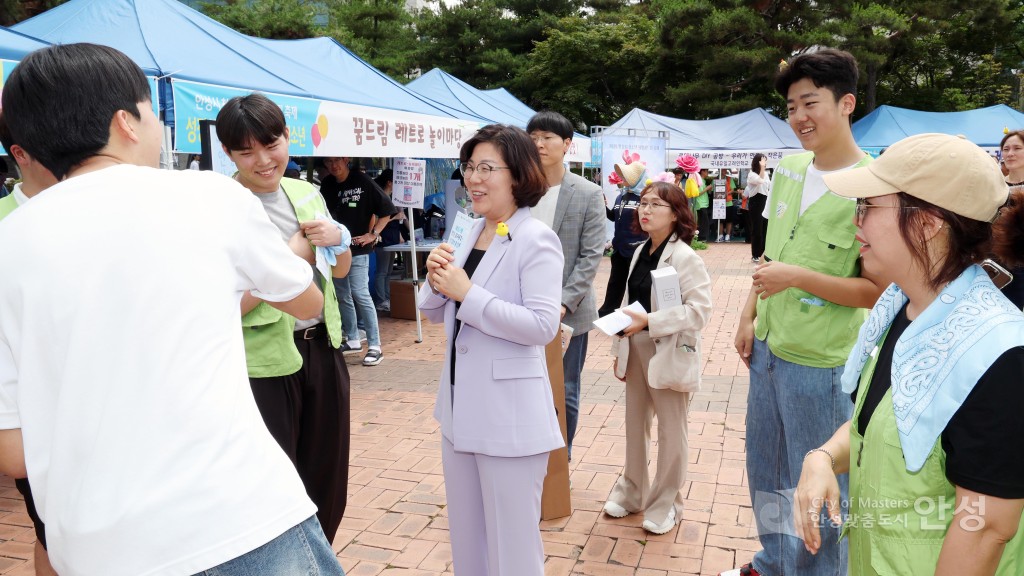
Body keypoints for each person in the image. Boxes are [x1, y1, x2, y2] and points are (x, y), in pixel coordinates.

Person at [0, 43, 341, 576]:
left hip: (94, 551)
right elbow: (308, 300)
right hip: (237, 523)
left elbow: (13, 453)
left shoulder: (8, 243)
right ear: (126, 123)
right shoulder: (210, 198)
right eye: (152, 111)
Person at [794, 133, 1024, 575]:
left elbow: (987, 526)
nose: (855, 222)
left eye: (867, 206)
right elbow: (893, 420)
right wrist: (822, 456)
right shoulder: (901, 307)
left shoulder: (998, 353)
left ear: (928, 222)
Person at [728, 48, 885, 576]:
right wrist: (748, 314)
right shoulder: (790, 169)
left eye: (810, 102)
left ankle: (819, 572)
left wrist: (795, 277)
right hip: (769, 350)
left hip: (820, 365)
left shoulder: (874, 185)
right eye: (792, 106)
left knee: (821, 484)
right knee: (766, 470)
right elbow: (771, 254)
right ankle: (773, 562)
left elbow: (874, 290)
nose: (799, 117)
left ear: (847, 103)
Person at [418, 124, 564, 575]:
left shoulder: (535, 237)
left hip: (509, 417)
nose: (474, 179)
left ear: (517, 175)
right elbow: (432, 308)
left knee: (514, 551)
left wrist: (468, 293)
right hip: (460, 410)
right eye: (469, 168)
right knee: (468, 541)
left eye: (487, 168)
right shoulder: (467, 231)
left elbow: (541, 326)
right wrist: (436, 274)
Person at [216, 93, 354, 545]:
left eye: (271, 144)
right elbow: (219, 306)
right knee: (273, 482)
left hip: (321, 346)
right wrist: (288, 263)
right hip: (260, 364)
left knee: (328, 476)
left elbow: (340, 270)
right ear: (227, 154)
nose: (262, 160)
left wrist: (339, 239)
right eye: (244, 152)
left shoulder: (305, 192)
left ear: (287, 137)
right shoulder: (219, 207)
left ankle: (321, 559)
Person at [602, 178, 712, 535]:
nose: (645, 210)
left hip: (669, 350)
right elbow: (632, 301)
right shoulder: (639, 251)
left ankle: (667, 504)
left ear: (676, 214)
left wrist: (651, 321)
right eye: (643, 203)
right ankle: (632, 492)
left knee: (671, 429)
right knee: (635, 425)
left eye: (655, 205)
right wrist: (621, 330)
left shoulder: (686, 257)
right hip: (636, 349)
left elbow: (700, 312)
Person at [526, 110, 606, 460]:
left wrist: (562, 302)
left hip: (569, 312)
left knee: (566, 389)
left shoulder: (588, 193)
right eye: (533, 137)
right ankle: (531, 455)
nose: (539, 144)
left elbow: (591, 256)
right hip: (523, 307)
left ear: (567, 144)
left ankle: (562, 460)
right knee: (527, 386)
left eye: (547, 137)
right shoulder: (520, 189)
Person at [0, 114, 60, 576]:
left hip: (105, 405)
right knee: (52, 533)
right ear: (19, 155)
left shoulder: (91, 213)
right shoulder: (6, 224)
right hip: (36, 417)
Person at [322, 156, 397, 366]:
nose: (333, 165)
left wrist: (373, 234)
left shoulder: (362, 181)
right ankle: (354, 338)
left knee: (360, 292)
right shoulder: (327, 184)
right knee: (343, 294)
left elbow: (388, 210)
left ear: (346, 159)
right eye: (328, 162)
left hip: (359, 249)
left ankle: (375, 345)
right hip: (336, 250)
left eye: (336, 160)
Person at [597, 161, 648, 318]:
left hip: (637, 249)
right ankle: (606, 313)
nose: (622, 178)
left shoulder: (645, 198)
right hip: (620, 248)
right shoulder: (622, 195)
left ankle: (636, 316)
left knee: (635, 285)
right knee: (615, 283)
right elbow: (613, 216)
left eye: (626, 175)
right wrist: (602, 205)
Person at [371, 168, 408, 312]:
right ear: (389, 182)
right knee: (382, 271)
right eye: (396, 182)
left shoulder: (390, 197)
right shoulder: (380, 197)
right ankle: (381, 300)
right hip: (382, 238)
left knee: (387, 271)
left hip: (392, 238)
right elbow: (377, 220)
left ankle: (386, 298)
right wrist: (395, 217)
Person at [997, 130, 1024, 308]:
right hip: (999, 258)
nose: (1010, 153)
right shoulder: (995, 184)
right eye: (1006, 149)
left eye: (1017, 148)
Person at [745, 153, 771, 262]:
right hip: (756, 203)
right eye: (763, 161)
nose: (764, 164)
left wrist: (763, 169)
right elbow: (760, 181)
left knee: (765, 228)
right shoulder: (751, 175)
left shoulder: (766, 173)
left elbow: (768, 186)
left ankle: (764, 253)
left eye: (765, 162)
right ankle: (755, 254)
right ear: (758, 162)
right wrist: (762, 168)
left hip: (765, 201)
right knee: (757, 229)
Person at [694, 167, 712, 242]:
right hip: (700, 204)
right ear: (702, 172)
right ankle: (702, 238)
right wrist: (707, 188)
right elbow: (698, 193)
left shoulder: (703, 180)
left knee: (704, 222)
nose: (707, 173)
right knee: (703, 222)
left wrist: (709, 190)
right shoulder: (699, 180)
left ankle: (703, 238)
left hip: (704, 204)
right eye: (707, 171)